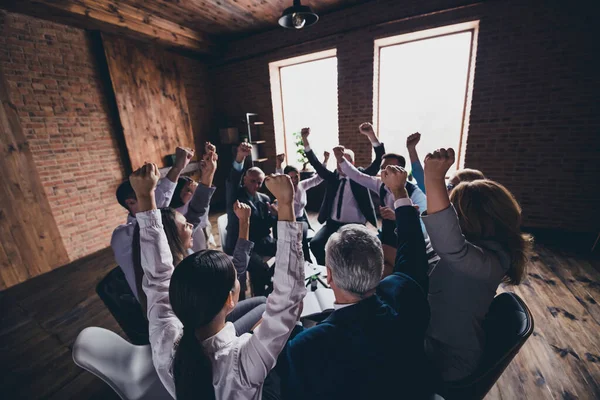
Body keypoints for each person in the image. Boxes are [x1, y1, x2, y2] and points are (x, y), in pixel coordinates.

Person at [131, 164, 306, 400]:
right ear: (230, 299)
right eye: (235, 279)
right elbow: (289, 300)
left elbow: (158, 279)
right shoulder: (242, 362)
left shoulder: (166, 342)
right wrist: (287, 205)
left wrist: (145, 198)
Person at [278, 165, 432, 400]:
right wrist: (400, 193)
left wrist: (293, 327)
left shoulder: (306, 346)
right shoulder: (405, 296)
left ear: (328, 276)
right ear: (381, 268)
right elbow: (413, 254)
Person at [422, 148, 532, 382]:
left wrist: (433, 178)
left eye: (454, 212)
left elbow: (451, 247)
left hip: (447, 357)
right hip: (430, 338)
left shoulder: (493, 260)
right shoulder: (480, 251)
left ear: (470, 218)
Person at [112, 146, 194, 301]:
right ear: (131, 202)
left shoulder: (157, 222)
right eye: (148, 195)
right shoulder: (123, 236)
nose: (154, 200)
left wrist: (178, 167)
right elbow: (154, 215)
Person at [334, 144, 430, 276]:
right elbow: (357, 176)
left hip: (407, 241)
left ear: (401, 171)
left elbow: (424, 228)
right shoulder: (380, 185)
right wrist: (340, 159)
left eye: (389, 169)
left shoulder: (416, 194)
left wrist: (397, 216)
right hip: (386, 234)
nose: (384, 173)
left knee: (386, 270)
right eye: (382, 169)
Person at [303, 124, 385, 265]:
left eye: (343, 160)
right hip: (332, 224)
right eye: (338, 161)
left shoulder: (361, 177)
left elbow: (379, 160)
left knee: (351, 255)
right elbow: (315, 163)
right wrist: (305, 140)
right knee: (315, 244)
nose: (340, 165)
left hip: (355, 226)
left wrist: (371, 135)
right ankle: (328, 272)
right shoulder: (333, 177)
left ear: (352, 163)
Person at [225, 142, 278, 296]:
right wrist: (240, 158)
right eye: (252, 181)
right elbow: (233, 179)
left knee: (288, 250)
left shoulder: (264, 198)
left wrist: (275, 216)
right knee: (259, 268)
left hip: (261, 240)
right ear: (245, 180)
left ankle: (269, 284)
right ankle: (259, 297)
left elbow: (266, 224)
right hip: (241, 242)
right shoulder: (235, 195)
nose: (255, 185)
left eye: (259, 182)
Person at [275, 153, 327, 263]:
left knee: (300, 233)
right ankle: (292, 261)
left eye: (296, 176)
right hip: (286, 221)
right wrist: (279, 163)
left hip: (300, 219)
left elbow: (318, 178)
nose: (294, 180)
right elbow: (278, 176)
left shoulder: (302, 185)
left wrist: (325, 160)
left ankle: (307, 260)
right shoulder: (283, 187)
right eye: (291, 177)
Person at [406, 132, 485, 193]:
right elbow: (420, 176)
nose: (445, 189)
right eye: (447, 185)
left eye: (449, 186)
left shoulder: (440, 206)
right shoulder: (441, 203)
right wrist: (411, 149)